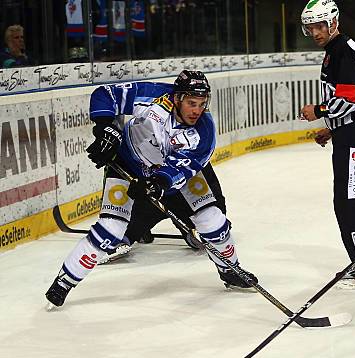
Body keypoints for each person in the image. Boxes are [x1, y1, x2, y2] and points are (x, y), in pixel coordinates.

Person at [45, 70, 259, 309]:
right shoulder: (152, 96)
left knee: (213, 220)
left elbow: (181, 169)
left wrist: (157, 183)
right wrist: (105, 128)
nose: (197, 110)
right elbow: (105, 94)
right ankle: (65, 281)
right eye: (191, 103)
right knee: (110, 229)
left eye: (201, 104)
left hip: (169, 175)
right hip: (127, 164)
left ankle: (229, 270)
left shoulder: (204, 132)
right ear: (177, 98)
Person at [298, 0, 355, 288]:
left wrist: (318, 111)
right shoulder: (337, 50)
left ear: (333, 22)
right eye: (311, 27)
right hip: (352, 132)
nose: (316, 32)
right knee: (350, 196)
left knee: (350, 198)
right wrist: (332, 128)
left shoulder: (343, 50)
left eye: (320, 26)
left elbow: (353, 96)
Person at [97, 161, 228, 264]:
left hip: (183, 191)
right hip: (147, 194)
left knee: (210, 230)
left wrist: (211, 223)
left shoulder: (193, 139)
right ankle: (131, 230)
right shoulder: (133, 137)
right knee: (119, 235)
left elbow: (213, 195)